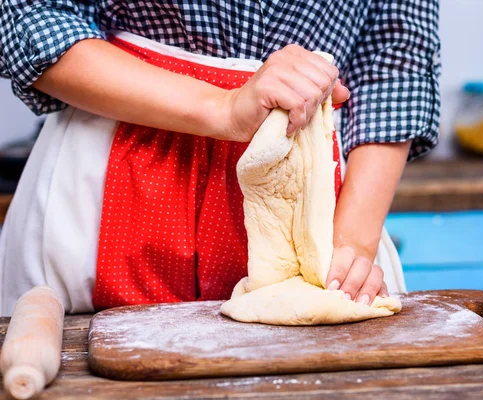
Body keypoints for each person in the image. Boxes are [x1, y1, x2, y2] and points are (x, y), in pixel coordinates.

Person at [0, 1, 440, 316]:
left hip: (307, 193)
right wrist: (223, 107)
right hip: (113, 162)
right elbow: (28, 15)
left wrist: (353, 244)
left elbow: (395, 66)